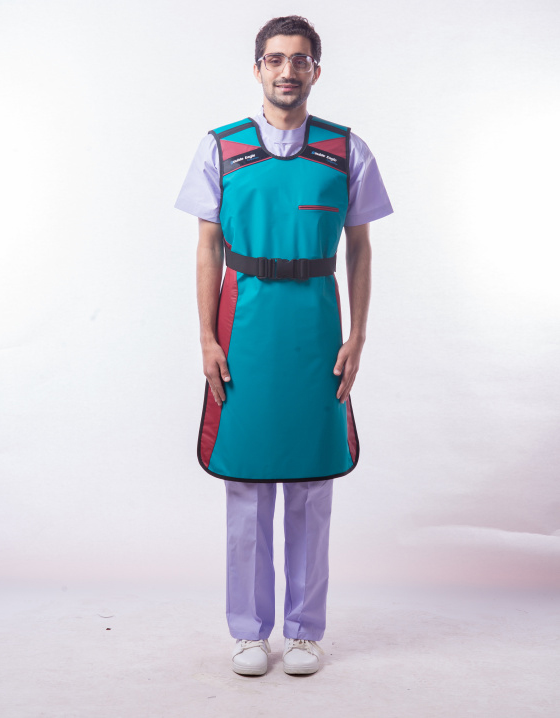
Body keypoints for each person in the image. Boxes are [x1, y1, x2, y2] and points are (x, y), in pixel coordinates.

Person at [175, 15, 393, 676]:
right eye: (275, 59)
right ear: (258, 69)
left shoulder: (346, 150)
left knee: (310, 482)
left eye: (300, 60)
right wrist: (206, 336)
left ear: (315, 71)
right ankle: (248, 632)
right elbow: (208, 247)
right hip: (244, 329)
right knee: (246, 481)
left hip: (316, 331)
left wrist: (358, 334)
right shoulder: (221, 148)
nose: (287, 71)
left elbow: (360, 247)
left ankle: (303, 631)